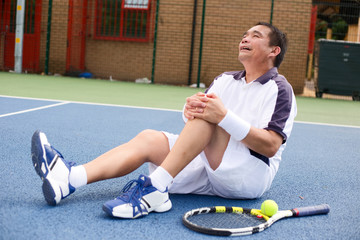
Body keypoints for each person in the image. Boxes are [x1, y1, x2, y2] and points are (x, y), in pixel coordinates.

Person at [31, 22, 297, 219]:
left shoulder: (279, 88)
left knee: (209, 117)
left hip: (246, 175)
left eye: (255, 35)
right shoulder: (225, 79)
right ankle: (70, 178)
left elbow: (271, 145)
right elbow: (195, 126)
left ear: (274, 50)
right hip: (209, 167)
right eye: (244, 34)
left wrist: (222, 117)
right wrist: (188, 110)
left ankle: (156, 188)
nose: (245, 38)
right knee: (150, 138)